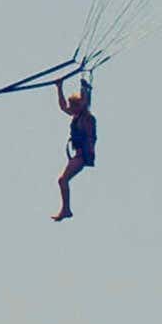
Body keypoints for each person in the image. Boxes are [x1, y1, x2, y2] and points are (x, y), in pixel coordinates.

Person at [51, 78, 100, 221]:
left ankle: (66, 210)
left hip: (82, 156)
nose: (70, 110)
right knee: (62, 180)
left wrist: (84, 88)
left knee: (62, 180)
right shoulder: (77, 115)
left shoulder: (86, 117)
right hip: (78, 156)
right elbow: (63, 107)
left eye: (73, 108)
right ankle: (66, 209)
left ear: (78, 107)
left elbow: (84, 103)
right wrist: (59, 87)